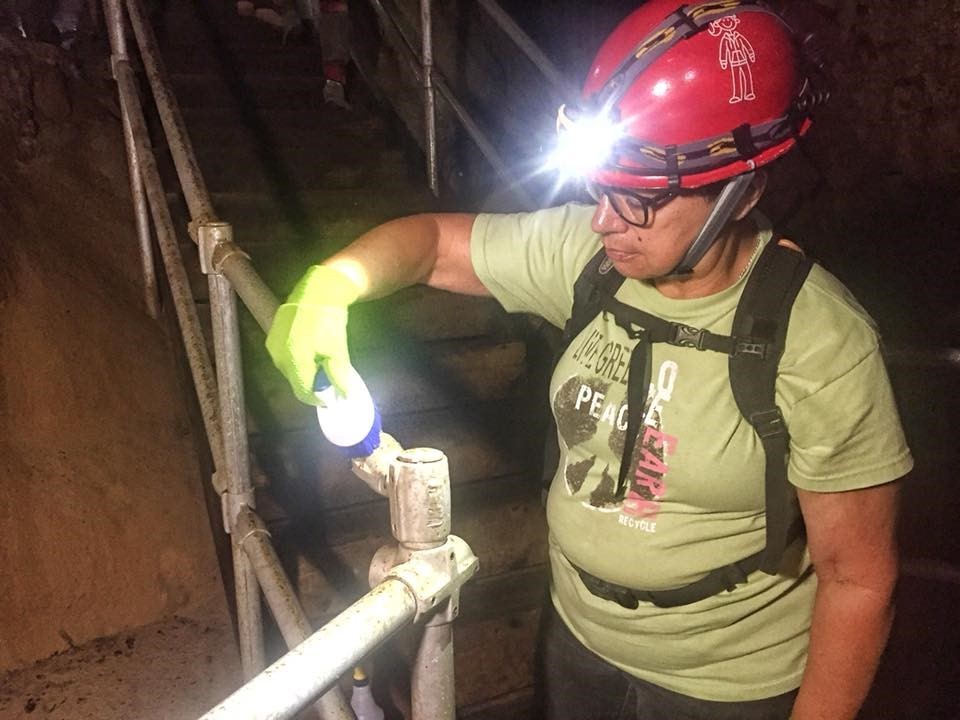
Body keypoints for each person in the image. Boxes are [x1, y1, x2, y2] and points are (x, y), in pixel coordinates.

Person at [265, 1, 913, 718]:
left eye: (640, 199)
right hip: (577, 642)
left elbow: (857, 581)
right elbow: (434, 244)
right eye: (601, 186)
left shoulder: (820, 339)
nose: (604, 219)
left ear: (744, 189)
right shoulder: (592, 256)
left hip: (726, 688)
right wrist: (333, 286)